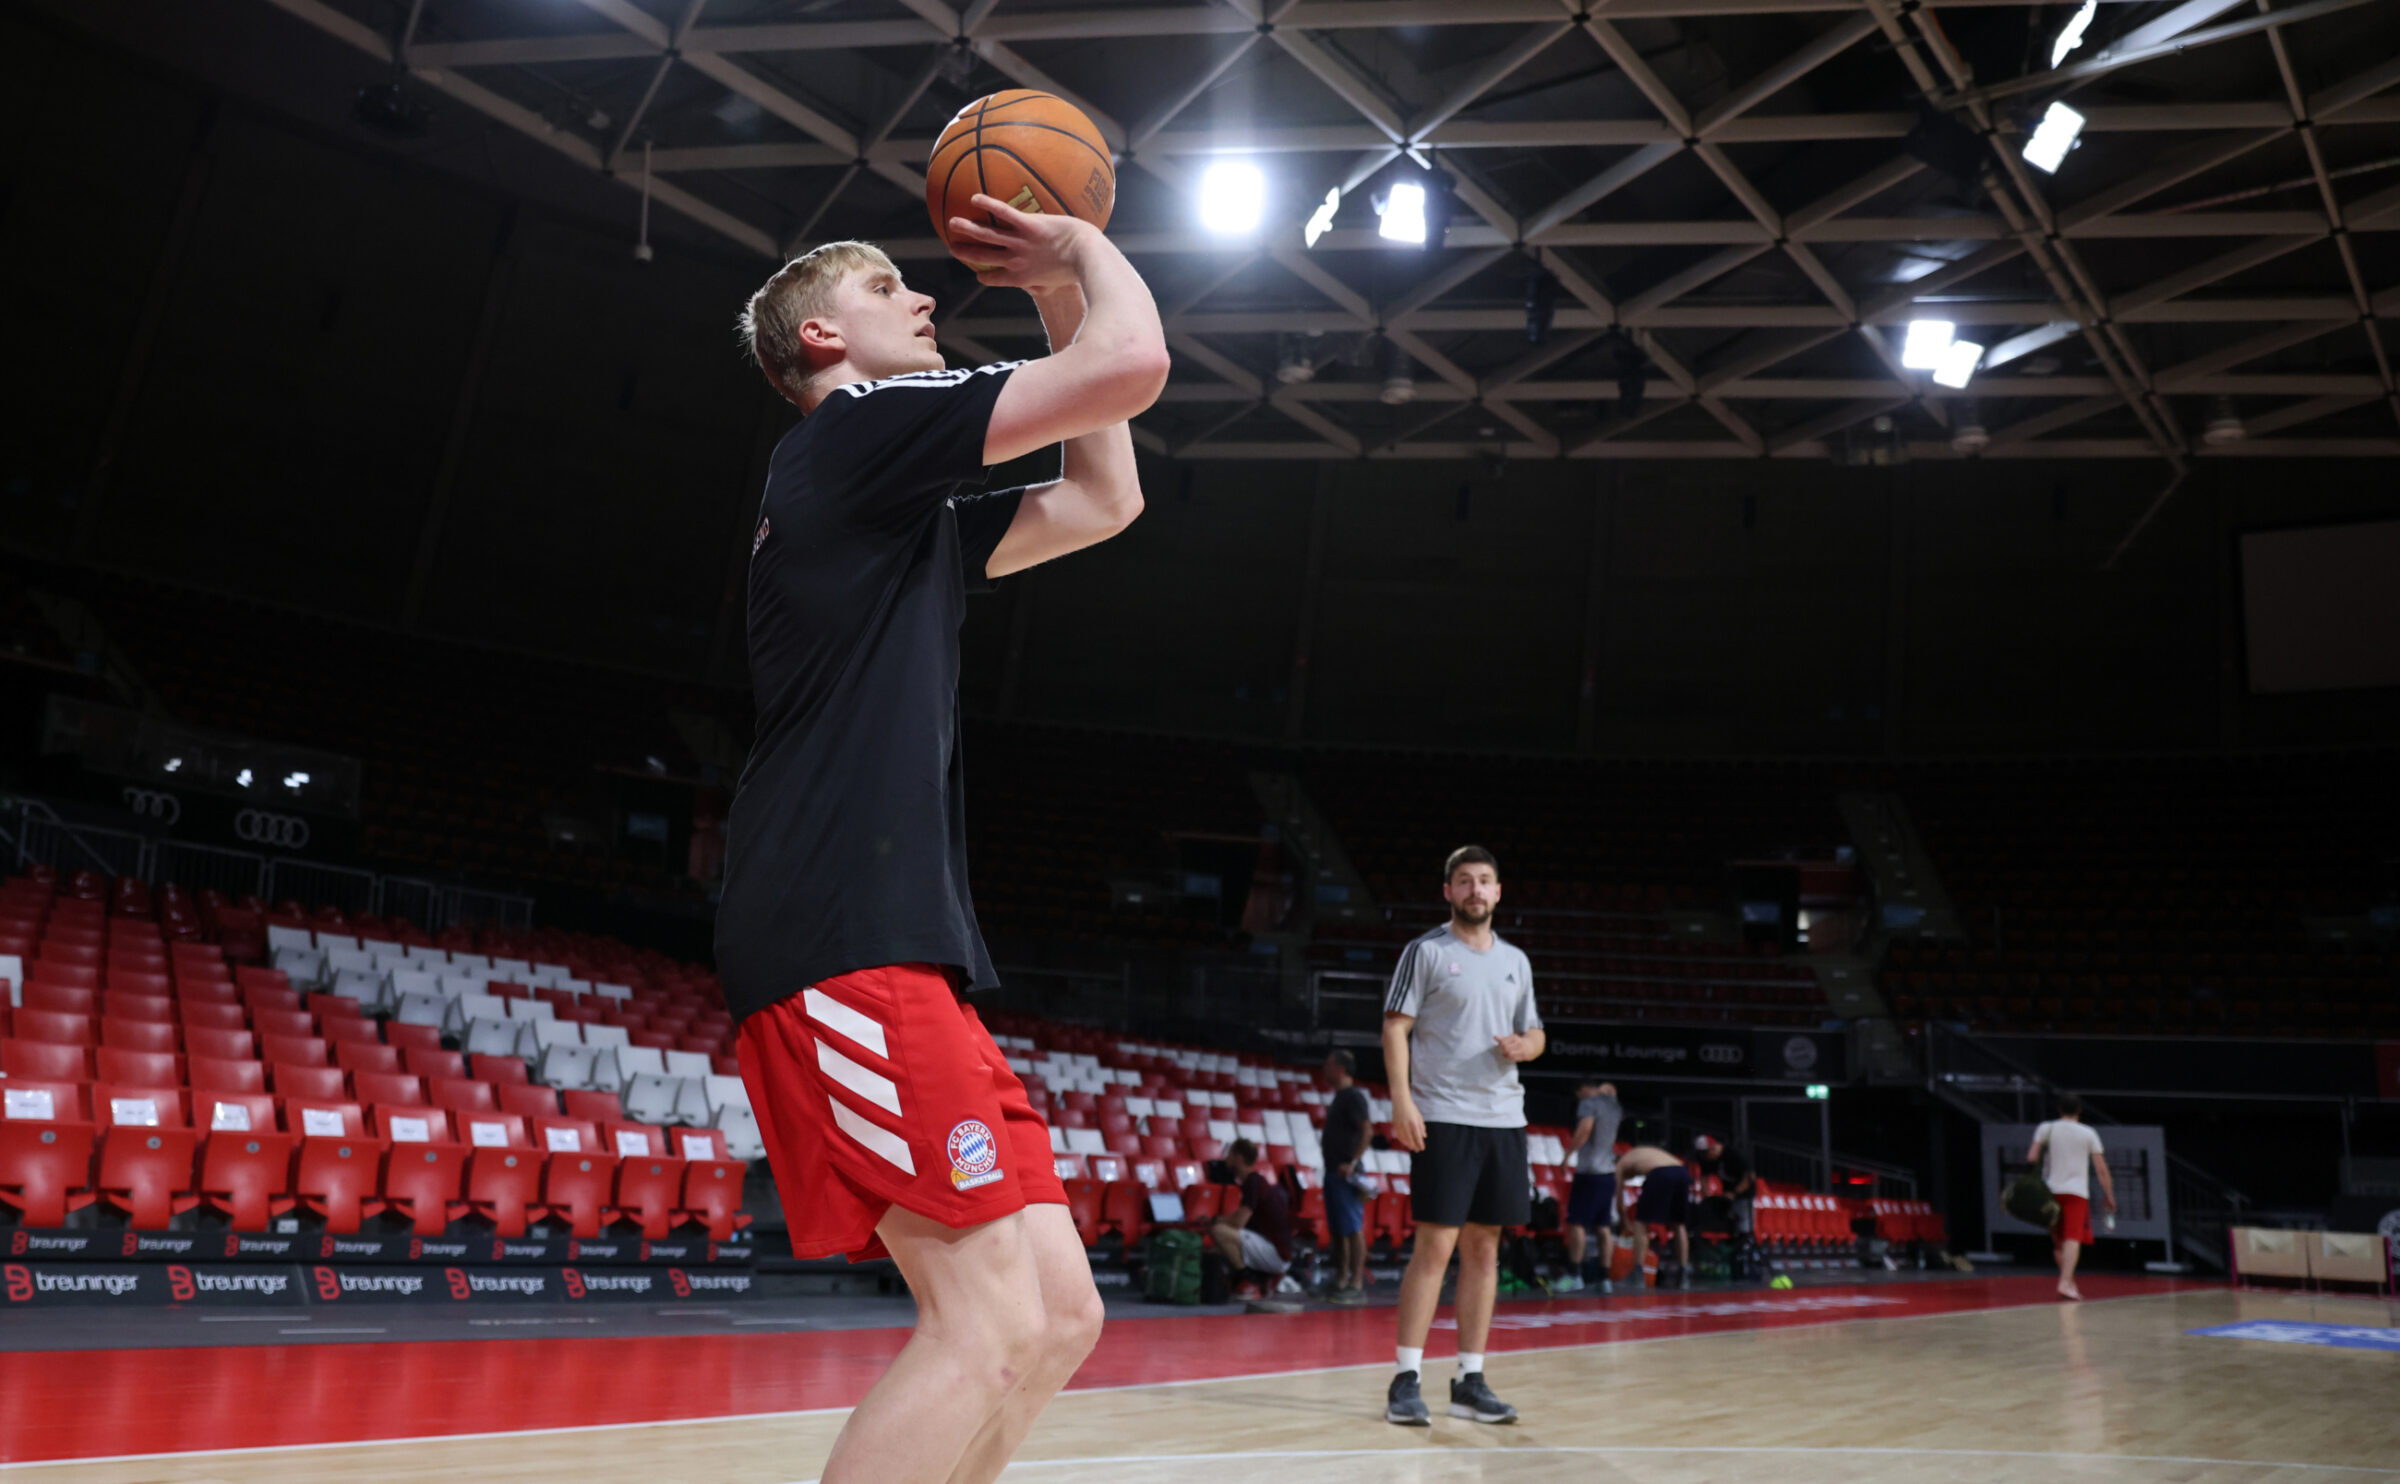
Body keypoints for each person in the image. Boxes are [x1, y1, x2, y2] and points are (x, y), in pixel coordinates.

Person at [716, 196, 1170, 1484]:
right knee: (986, 1324)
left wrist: (1051, 302)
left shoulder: (890, 503)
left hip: (897, 936)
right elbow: (1132, 369)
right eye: (888, 288)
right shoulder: (853, 428)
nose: (924, 299)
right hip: (834, 931)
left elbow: (1104, 493)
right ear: (821, 335)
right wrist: (1079, 249)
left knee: (1058, 1317)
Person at [1383, 846, 1544, 1428]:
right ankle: (1406, 1378)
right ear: (1447, 892)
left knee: (1484, 1250)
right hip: (1445, 1116)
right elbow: (1395, 1026)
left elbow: (1536, 1031)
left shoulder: (1516, 962)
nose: (1475, 890)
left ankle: (1469, 1379)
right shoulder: (1426, 952)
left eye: (1484, 881)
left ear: (1499, 892)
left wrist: (1529, 1046)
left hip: (1504, 1119)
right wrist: (1402, 1100)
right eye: (1464, 881)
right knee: (1436, 1247)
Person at [2029, 1093, 2115, 1301]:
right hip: (2076, 1192)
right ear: (2079, 1110)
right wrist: (2109, 1195)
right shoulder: (2088, 1133)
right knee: (2073, 1237)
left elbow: (2032, 1157)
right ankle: (2065, 1283)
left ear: (2059, 1109)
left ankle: (2068, 1282)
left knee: (2058, 1240)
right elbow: (2101, 1169)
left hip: (2050, 1191)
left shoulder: (2046, 1128)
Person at [1317, 1048, 1373, 1303]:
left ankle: (1356, 1282)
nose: (1324, 1070)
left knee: (1352, 1228)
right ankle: (1341, 1279)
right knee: (1338, 1230)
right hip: (1333, 1172)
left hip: (1345, 1173)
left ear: (1340, 1069)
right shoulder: (1341, 1097)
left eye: (1328, 1065)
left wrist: (1352, 1162)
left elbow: (1367, 1131)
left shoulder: (1353, 1097)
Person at [1210, 1138, 1296, 1301]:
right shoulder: (1256, 1181)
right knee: (1221, 1244)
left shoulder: (1253, 1182)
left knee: (1219, 1231)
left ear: (1239, 1157)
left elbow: (1238, 1223)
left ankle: (1248, 1281)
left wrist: (1216, 1220)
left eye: (1230, 1153)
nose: (1226, 1157)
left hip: (1277, 1254)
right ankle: (1259, 1278)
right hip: (1278, 1251)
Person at [1558, 1077, 1621, 1293]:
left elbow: (1584, 1129)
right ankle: (1605, 1279)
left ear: (1583, 1088)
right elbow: (1611, 1089)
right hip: (1608, 1173)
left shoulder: (1589, 1104)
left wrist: (1567, 1155)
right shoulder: (1613, 1105)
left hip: (1589, 1173)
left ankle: (1574, 1275)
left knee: (1576, 1223)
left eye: (1579, 1093)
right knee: (1603, 1227)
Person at [1617, 1144, 1693, 1285]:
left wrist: (1625, 1222)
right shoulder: (1643, 1152)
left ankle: (1637, 1275)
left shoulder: (1621, 1164)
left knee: (1641, 1223)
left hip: (1660, 1173)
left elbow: (1619, 1203)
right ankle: (1683, 1275)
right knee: (1679, 1224)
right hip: (1682, 1172)